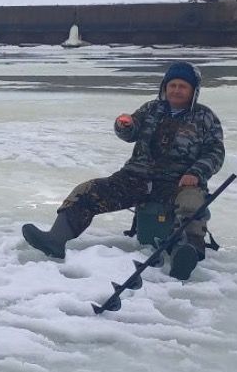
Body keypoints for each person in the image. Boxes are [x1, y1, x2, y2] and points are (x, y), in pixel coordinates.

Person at [21, 61, 224, 280]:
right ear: (164, 87)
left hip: (180, 183)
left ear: (194, 90)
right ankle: (55, 239)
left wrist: (196, 172)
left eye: (182, 86)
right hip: (136, 177)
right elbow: (131, 131)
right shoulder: (151, 109)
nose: (176, 90)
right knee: (88, 191)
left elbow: (215, 152)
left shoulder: (205, 117)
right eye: (172, 85)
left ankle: (185, 253)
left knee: (192, 205)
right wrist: (124, 125)